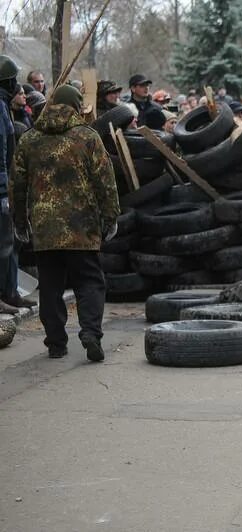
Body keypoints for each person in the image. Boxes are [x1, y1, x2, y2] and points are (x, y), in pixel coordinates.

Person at [12, 84, 120, 362]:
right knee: (90, 283)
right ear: (75, 106)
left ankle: (56, 343)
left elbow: (17, 185)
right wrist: (111, 217)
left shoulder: (29, 139)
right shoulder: (87, 137)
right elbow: (105, 182)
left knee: (50, 287)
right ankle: (91, 334)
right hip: (82, 228)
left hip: (45, 230)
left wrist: (20, 221)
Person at [0, 55, 35, 314]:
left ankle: (10, 293)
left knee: (10, 243)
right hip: (3, 188)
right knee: (4, 246)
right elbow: (1, 153)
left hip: (8, 185)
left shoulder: (3, 106)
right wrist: (4, 192)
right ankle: (5, 294)